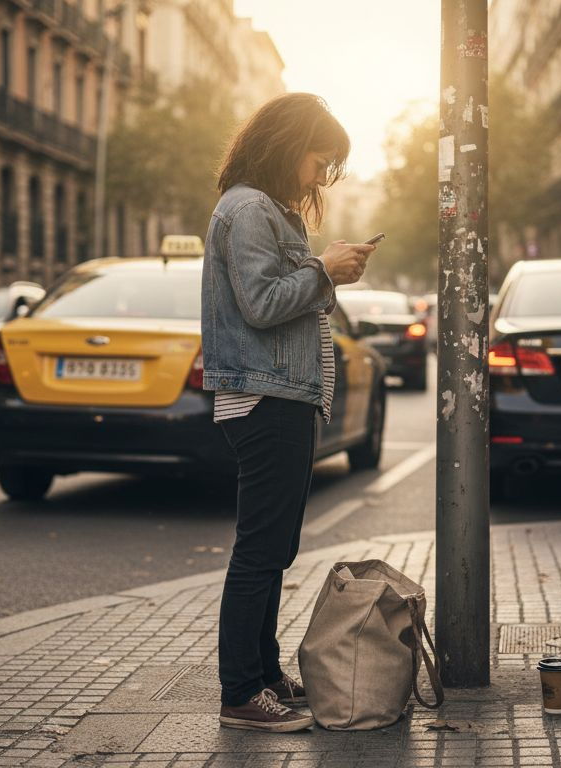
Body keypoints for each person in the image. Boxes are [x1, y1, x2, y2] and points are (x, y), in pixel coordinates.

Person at [200, 93, 375, 733]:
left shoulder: (267, 211)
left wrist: (329, 270)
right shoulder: (248, 209)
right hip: (264, 396)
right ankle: (241, 693)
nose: (321, 175)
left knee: (276, 547)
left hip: (284, 395)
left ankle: (264, 674)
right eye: (319, 159)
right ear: (286, 144)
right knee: (259, 551)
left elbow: (285, 298)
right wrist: (324, 270)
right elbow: (262, 304)